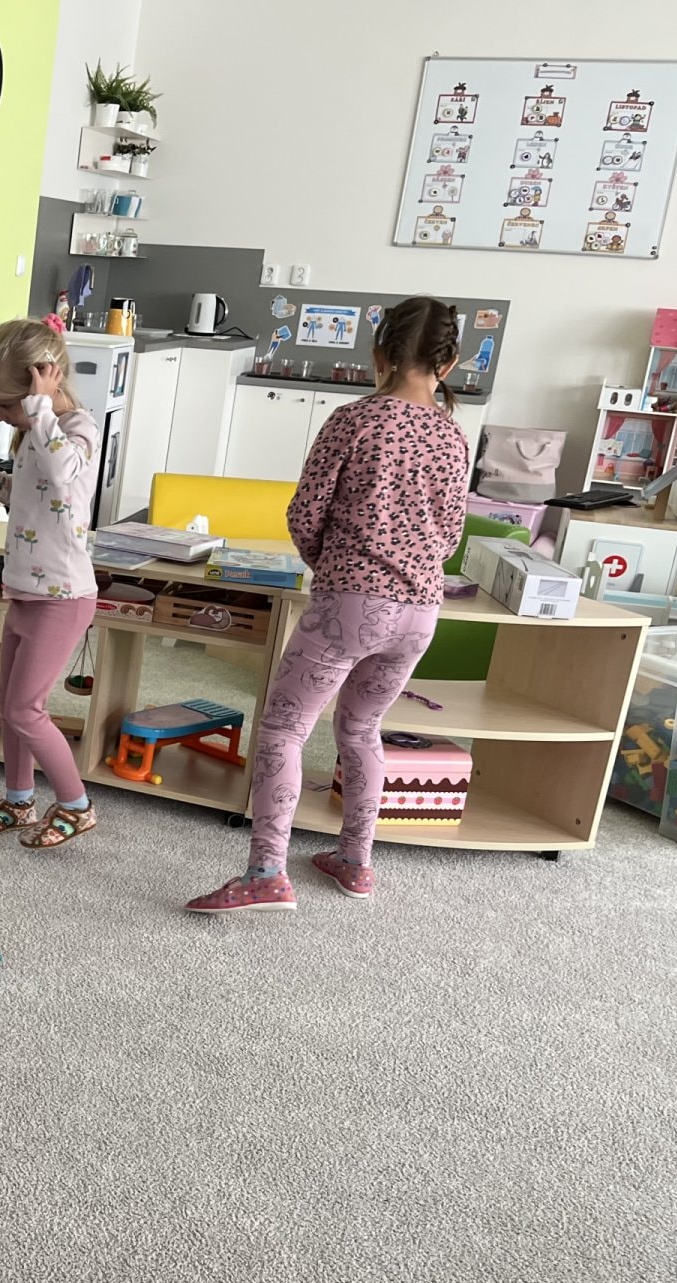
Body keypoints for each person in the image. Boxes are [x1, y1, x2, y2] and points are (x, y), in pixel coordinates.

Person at [187, 296, 471, 913]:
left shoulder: (354, 420)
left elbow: (305, 514)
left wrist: (335, 567)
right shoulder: (453, 435)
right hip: (421, 610)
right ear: (447, 364)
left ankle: (266, 872)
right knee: (362, 729)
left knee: (284, 729)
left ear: (378, 353)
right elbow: (450, 537)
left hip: (353, 603)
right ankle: (355, 861)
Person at [0, 317, 104, 849]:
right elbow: (26, 496)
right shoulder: (37, 434)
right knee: (12, 707)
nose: (0, 415)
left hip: (63, 597)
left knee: (24, 710)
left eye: (6, 405)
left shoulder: (77, 431)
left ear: (42, 383)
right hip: (28, 592)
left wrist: (39, 409)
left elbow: (62, 473)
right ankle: (18, 799)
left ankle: (77, 806)